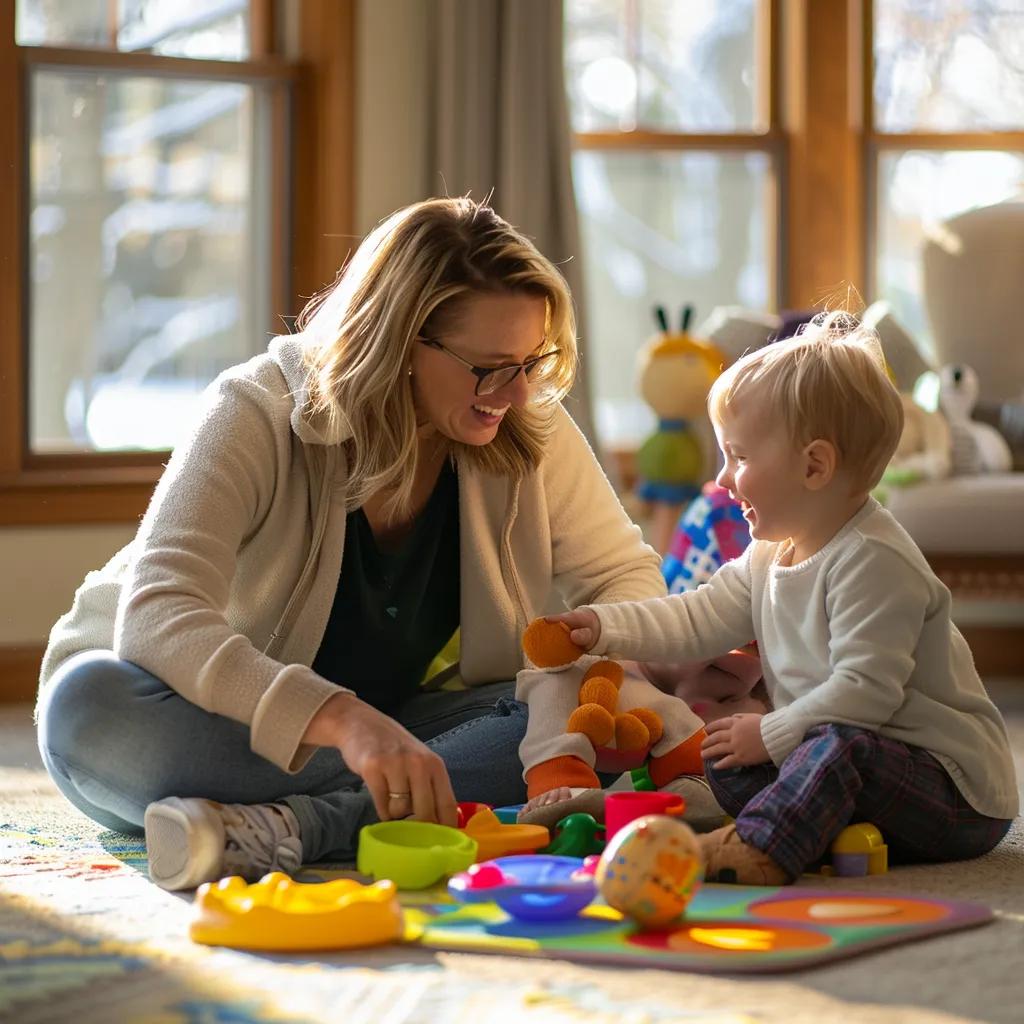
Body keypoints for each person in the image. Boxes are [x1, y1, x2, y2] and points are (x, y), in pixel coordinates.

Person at [35, 196, 667, 891]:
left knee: (560, 714)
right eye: (491, 367)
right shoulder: (252, 411)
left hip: (389, 726)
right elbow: (158, 617)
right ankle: (374, 802)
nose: (517, 393)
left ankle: (295, 826)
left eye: (532, 361)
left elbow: (623, 577)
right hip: (189, 713)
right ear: (399, 342)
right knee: (86, 707)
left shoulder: (524, 424)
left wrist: (617, 662)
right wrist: (343, 720)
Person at [547, 312, 1019, 884]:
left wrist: (769, 733)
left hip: (952, 793)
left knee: (832, 744)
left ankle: (761, 847)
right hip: (851, 766)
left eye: (739, 458)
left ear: (814, 466)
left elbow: (866, 694)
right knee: (724, 762)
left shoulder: (874, 559)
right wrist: (602, 627)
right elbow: (696, 616)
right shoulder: (771, 553)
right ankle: (776, 823)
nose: (722, 479)